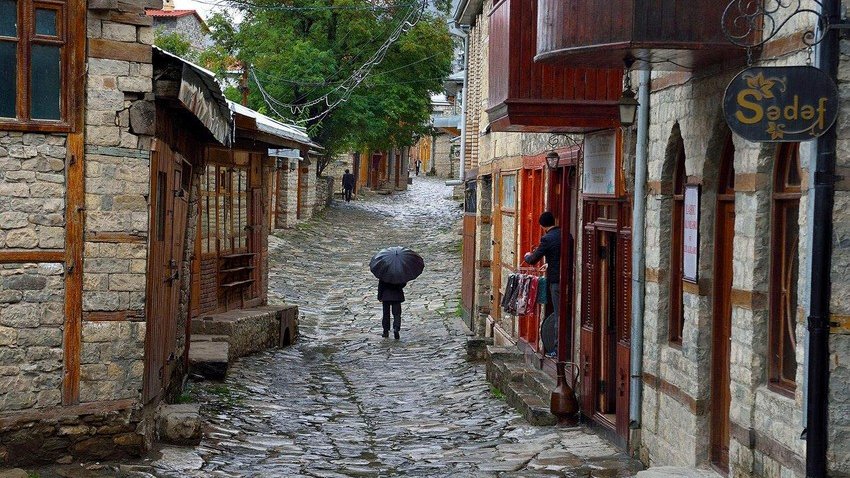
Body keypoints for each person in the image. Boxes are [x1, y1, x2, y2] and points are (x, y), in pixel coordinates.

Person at [524, 211, 561, 355]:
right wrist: (549, 264)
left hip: (556, 281)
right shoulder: (565, 235)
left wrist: (527, 256)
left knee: (558, 314)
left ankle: (557, 349)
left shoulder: (547, 239)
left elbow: (533, 259)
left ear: (542, 226)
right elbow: (560, 257)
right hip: (567, 278)